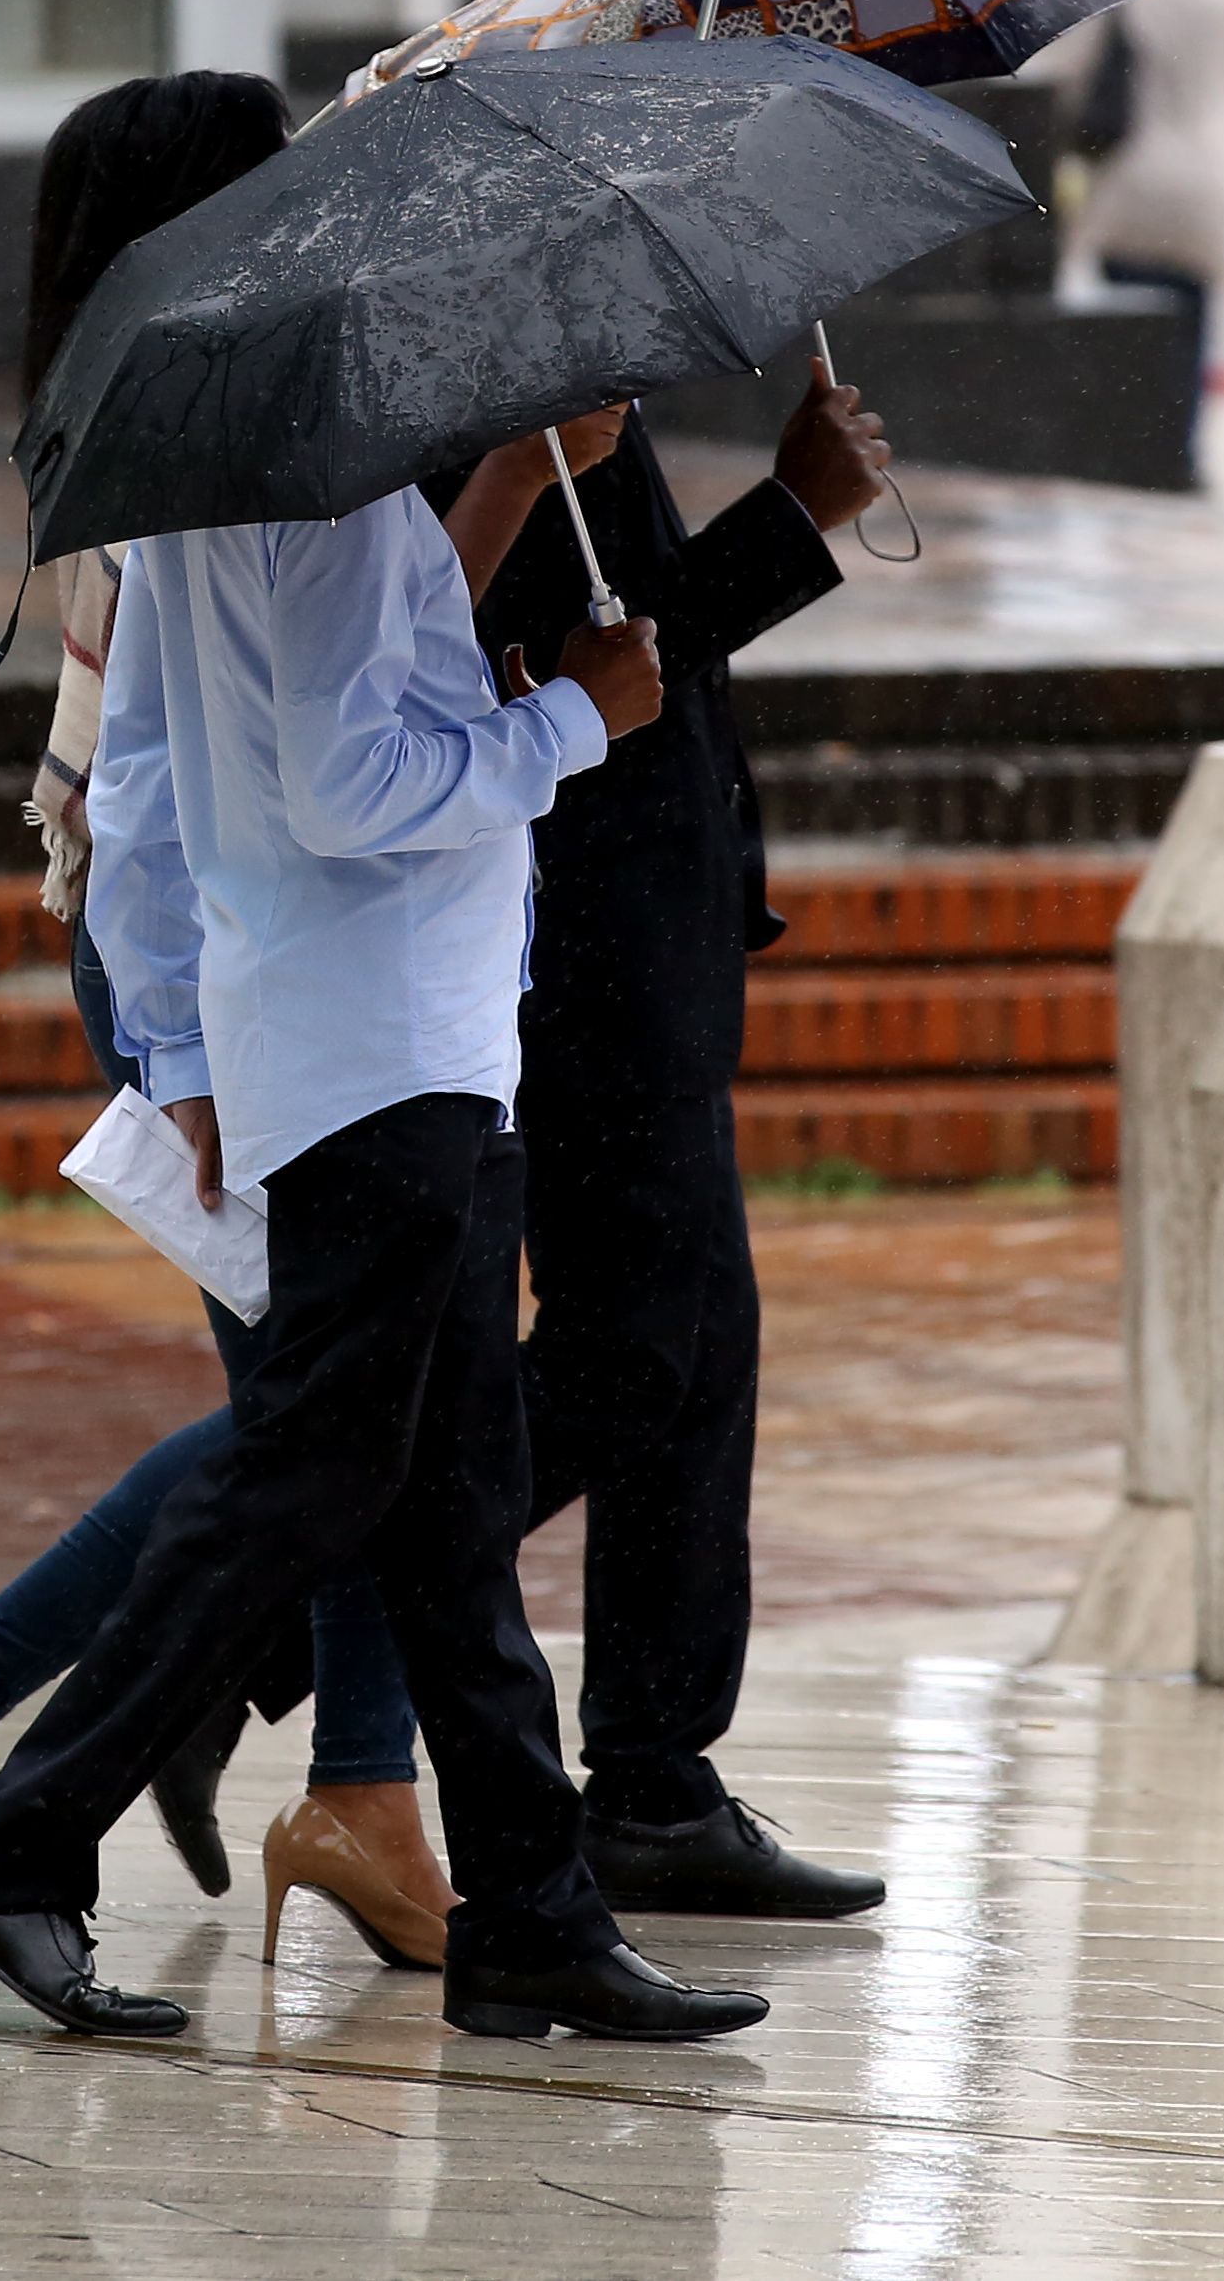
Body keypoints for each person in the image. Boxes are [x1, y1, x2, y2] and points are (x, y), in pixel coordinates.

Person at [0, 246, 766, 2046]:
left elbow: (146, 773)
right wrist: (583, 713)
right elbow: (356, 779)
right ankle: (12, 1835)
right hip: (393, 1049)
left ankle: (529, 1904)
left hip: (356, 1042)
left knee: (445, 1508)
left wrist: (521, 476)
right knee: (305, 1473)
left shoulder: (221, 500)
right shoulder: (348, 504)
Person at [0, 72, 453, 1974]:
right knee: (336, 1418)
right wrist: (188, 1053)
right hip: (208, 962)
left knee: (329, 1415)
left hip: (213, 949)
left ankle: (320, 1765)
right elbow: (153, 788)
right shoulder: (186, 425)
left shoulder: (168, 395)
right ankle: (21, 1704)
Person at [452, 366, 894, 1921]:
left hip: (659, 930)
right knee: (630, 1350)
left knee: (701, 1359)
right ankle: (280, 1593)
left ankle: (651, 1773)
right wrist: (789, 518)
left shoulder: (578, 373)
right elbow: (581, 661)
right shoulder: (494, 385)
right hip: (583, 952)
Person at [1034, 0, 1224, 463]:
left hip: (1132, 178)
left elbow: (1067, 78)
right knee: (1192, 321)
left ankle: (1139, 443)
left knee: (1134, 328)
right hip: (1209, 174)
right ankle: (1180, 446)